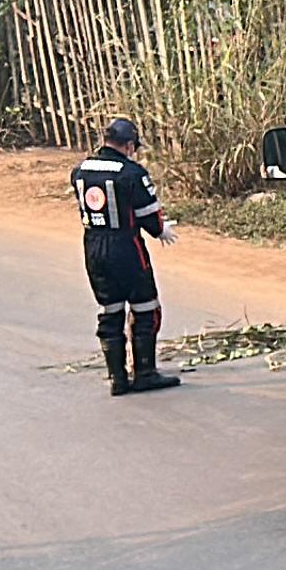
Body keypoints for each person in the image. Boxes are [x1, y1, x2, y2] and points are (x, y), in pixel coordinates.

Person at [71, 116, 180, 396]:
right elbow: (147, 214)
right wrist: (161, 230)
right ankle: (144, 372)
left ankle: (117, 378)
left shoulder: (81, 170)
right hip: (126, 248)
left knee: (110, 311)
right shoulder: (131, 172)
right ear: (130, 145)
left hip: (93, 247)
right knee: (146, 308)